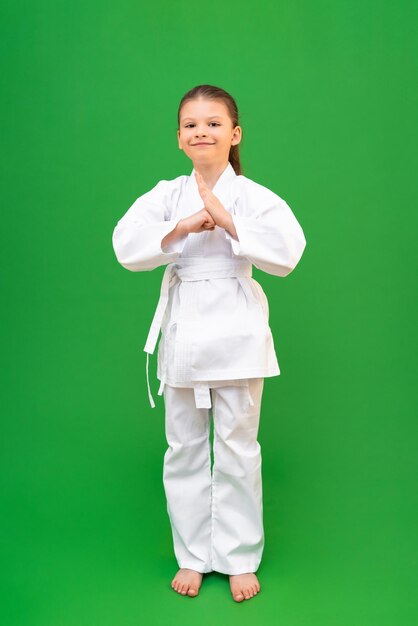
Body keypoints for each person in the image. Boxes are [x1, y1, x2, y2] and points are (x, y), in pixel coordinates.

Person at [112, 84, 307, 602]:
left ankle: (240, 555)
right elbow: (125, 244)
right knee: (185, 445)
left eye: (214, 123)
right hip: (185, 330)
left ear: (234, 134)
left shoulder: (254, 197)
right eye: (192, 124)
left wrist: (228, 221)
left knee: (239, 445)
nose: (203, 131)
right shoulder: (167, 194)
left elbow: (289, 251)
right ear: (179, 138)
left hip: (239, 331)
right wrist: (180, 226)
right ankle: (193, 554)